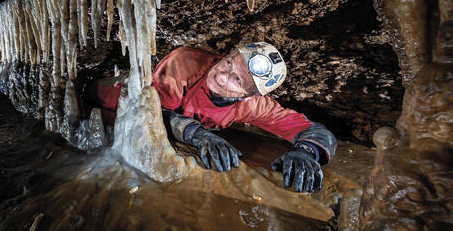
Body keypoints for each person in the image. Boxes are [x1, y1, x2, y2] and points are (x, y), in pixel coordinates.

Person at [86, 42, 337, 193]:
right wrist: (199, 135)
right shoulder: (187, 62)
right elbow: (148, 112)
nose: (222, 75)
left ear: (247, 95)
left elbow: (315, 131)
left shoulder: (253, 105)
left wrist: (306, 151)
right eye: (228, 63)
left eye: (237, 80)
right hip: (111, 95)